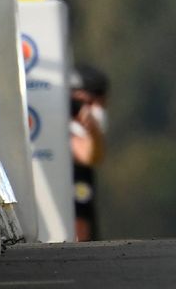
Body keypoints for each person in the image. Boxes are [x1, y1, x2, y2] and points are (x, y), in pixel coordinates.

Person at [70, 63, 108, 241]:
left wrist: (92, 129)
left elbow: (92, 156)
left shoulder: (91, 123)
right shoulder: (57, 121)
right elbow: (86, 155)